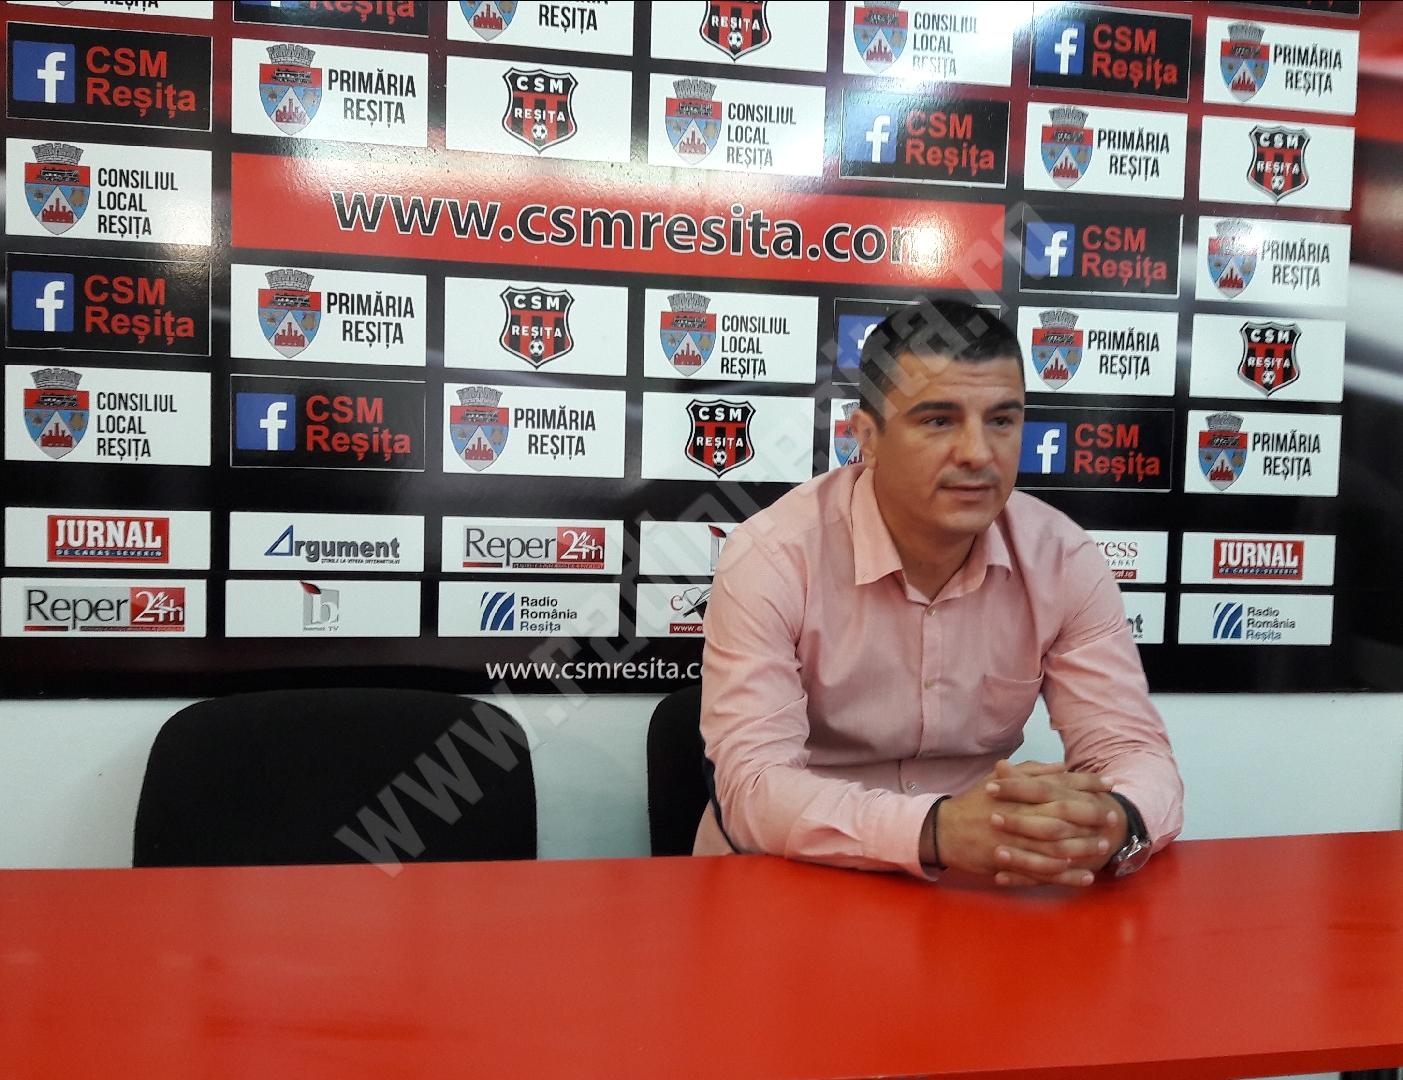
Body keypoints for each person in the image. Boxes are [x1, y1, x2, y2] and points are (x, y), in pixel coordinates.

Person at [695, 298, 1183, 886]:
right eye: (938, 421)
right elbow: (752, 788)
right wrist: (936, 830)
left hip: (977, 883)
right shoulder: (773, 557)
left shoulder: (1062, 559)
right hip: (794, 876)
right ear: (867, 437)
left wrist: (1115, 820)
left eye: (1001, 421)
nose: (978, 453)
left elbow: (1133, 751)